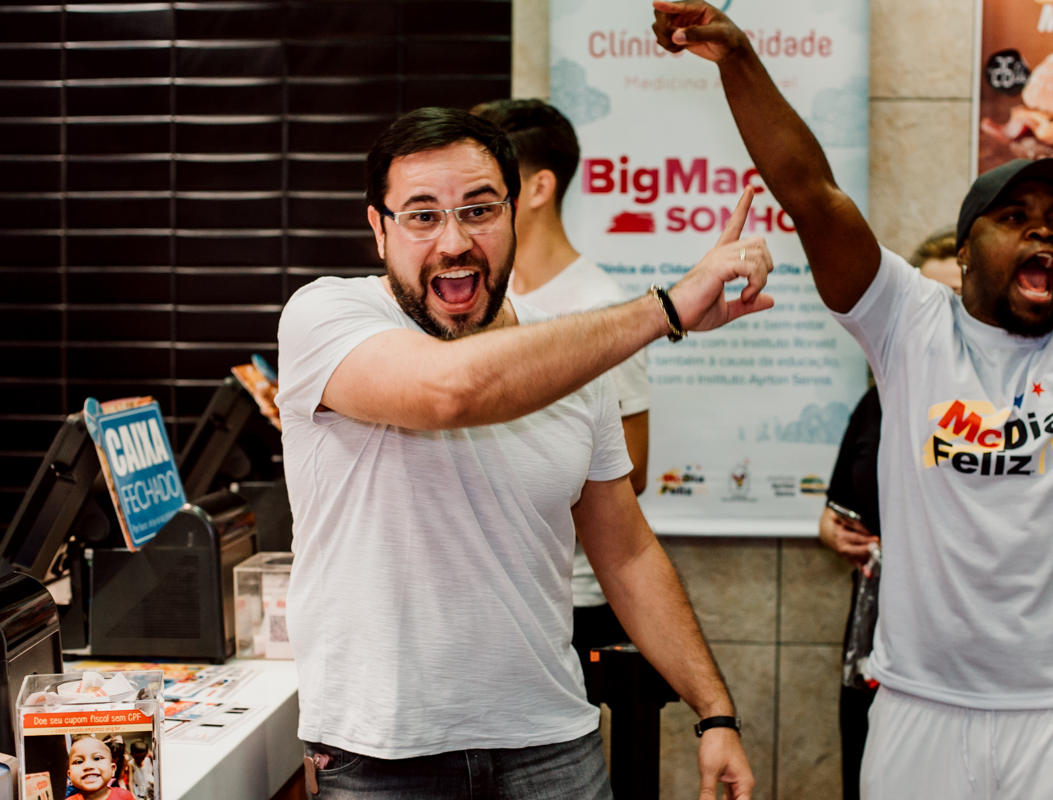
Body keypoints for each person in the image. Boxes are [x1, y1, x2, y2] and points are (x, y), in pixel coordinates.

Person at [652, 3, 1053, 797]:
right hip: (922, 709)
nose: (1044, 235)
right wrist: (737, 56)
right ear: (967, 246)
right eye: (1014, 219)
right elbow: (811, 193)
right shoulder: (911, 323)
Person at [279, 107, 775, 800]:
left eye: (478, 210)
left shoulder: (570, 356)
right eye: (422, 216)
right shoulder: (326, 316)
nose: (454, 241)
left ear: (516, 213)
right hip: (382, 755)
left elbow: (626, 550)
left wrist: (714, 709)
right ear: (378, 228)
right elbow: (451, 390)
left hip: (552, 749)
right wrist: (665, 309)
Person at [470, 98, 648, 673]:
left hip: (569, 597)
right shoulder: (473, 298)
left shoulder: (601, 309)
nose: (471, 209)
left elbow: (634, 468)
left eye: (490, 189)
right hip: (481, 595)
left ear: (539, 188)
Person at [817, 227, 960, 800]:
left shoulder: (1000, 409)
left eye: (956, 297)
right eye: (931, 298)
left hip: (956, 647)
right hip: (876, 634)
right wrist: (831, 531)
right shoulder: (882, 395)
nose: (942, 315)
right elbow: (835, 503)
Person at [66, 737, 136, 800]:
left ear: (112, 769)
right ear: (69, 774)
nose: (88, 766)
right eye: (79, 762)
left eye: (97, 758)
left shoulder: (124, 797)